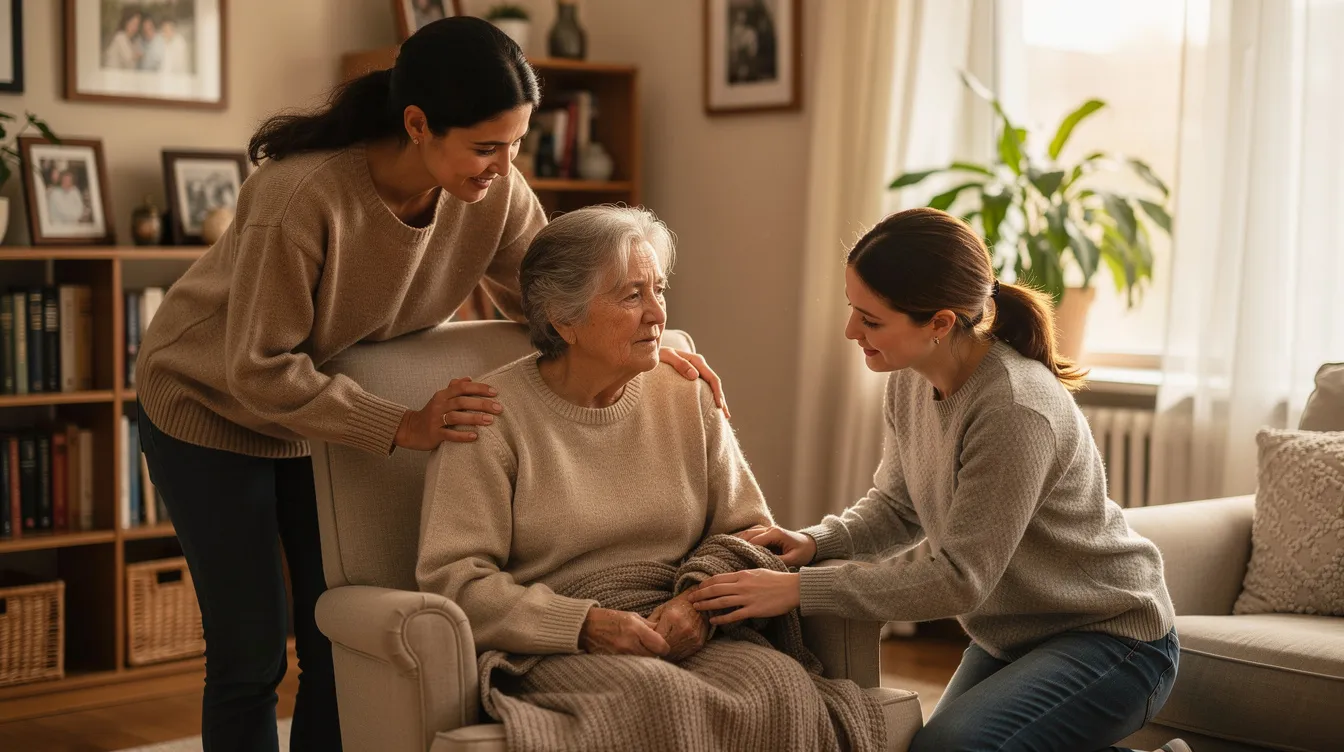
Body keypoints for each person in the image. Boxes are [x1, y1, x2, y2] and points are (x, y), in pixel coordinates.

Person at [135, 18, 724, 752]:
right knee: (250, 651)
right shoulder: (299, 198)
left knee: (340, 644)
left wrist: (648, 341)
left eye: (515, 145)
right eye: (485, 147)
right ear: (417, 124)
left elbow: (556, 298)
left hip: (324, 408)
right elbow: (255, 367)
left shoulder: (496, 195)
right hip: (210, 404)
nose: (502, 167)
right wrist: (401, 424)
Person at [688, 207, 1190, 752]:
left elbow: (959, 578)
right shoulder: (910, 380)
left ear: (941, 323)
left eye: (871, 320)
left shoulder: (1015, 408)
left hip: (1114, 638)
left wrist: (798, 591)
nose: (851, 330)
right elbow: (898, 507)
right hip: (1013, 636)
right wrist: (816, 542)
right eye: (853, 310)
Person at [416, 205, 885, 751]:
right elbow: (456, 577)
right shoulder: (490, 416)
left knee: (780, 686)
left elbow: (748, 529)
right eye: (631, 295)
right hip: (562, 639)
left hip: (681, 614)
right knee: (658, 698)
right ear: (563, 319)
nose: (657, 314)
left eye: (658, 289)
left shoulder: (685, 392)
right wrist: (585, 624)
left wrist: (696, 606)